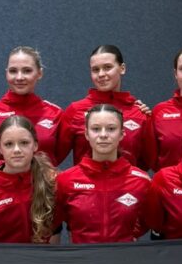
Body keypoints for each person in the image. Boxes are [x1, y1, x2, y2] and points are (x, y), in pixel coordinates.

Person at [55, 104, 151, 243]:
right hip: (81, 261)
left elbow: (148, 220)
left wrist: (130, 236)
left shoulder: (141, 181)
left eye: (111, 129)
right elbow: (56, 220)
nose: (103, 135)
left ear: (122, 134)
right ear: (87, 134)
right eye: (96, 129)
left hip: (125, 259)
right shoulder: (66, 180)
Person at [55, 45, 151, 168]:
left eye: (107, 67)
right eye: (95, 69)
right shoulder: (75, 110)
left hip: (127, 186)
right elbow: (53, 157)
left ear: (122, 68)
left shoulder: (139, 112)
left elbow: (146, 163)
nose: (101, 74)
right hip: (84, 185)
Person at [0, 116, 58, 243]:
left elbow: (56, 230)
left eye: (24, 143)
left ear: (35, 145)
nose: (17, 150)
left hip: (40, 260)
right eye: (9, 144)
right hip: (2, 261)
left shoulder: (50, 180)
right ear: (0, 148)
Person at [0, 46, 62, 162]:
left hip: (43, 180)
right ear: (6, 73)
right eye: (13, 71)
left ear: (40, 73)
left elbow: (57, 157)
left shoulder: (55, 113)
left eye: (27, 71)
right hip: (1, 179)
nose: (19, 77)